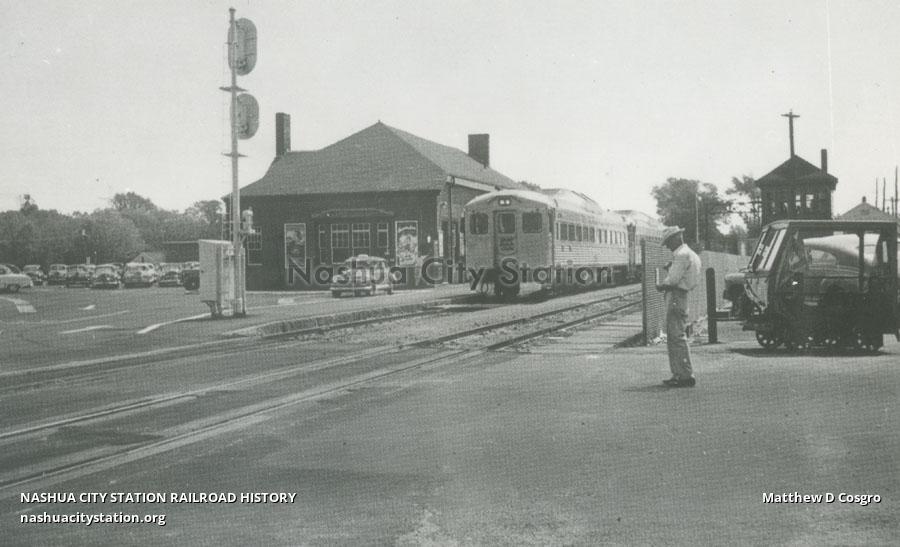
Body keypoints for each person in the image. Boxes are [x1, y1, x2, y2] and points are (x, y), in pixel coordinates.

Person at [656, 226, 701, 387]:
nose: (668, 246)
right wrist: (671, 267)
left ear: (676, 238)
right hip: (683, 296)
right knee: (678, 336)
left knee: (676, 338)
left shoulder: (681, 255)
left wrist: (661, 286)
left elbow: (673, 280)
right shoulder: (691, 254)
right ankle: (681, 373)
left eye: (668, 242)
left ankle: (684, 375)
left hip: (676, 296)